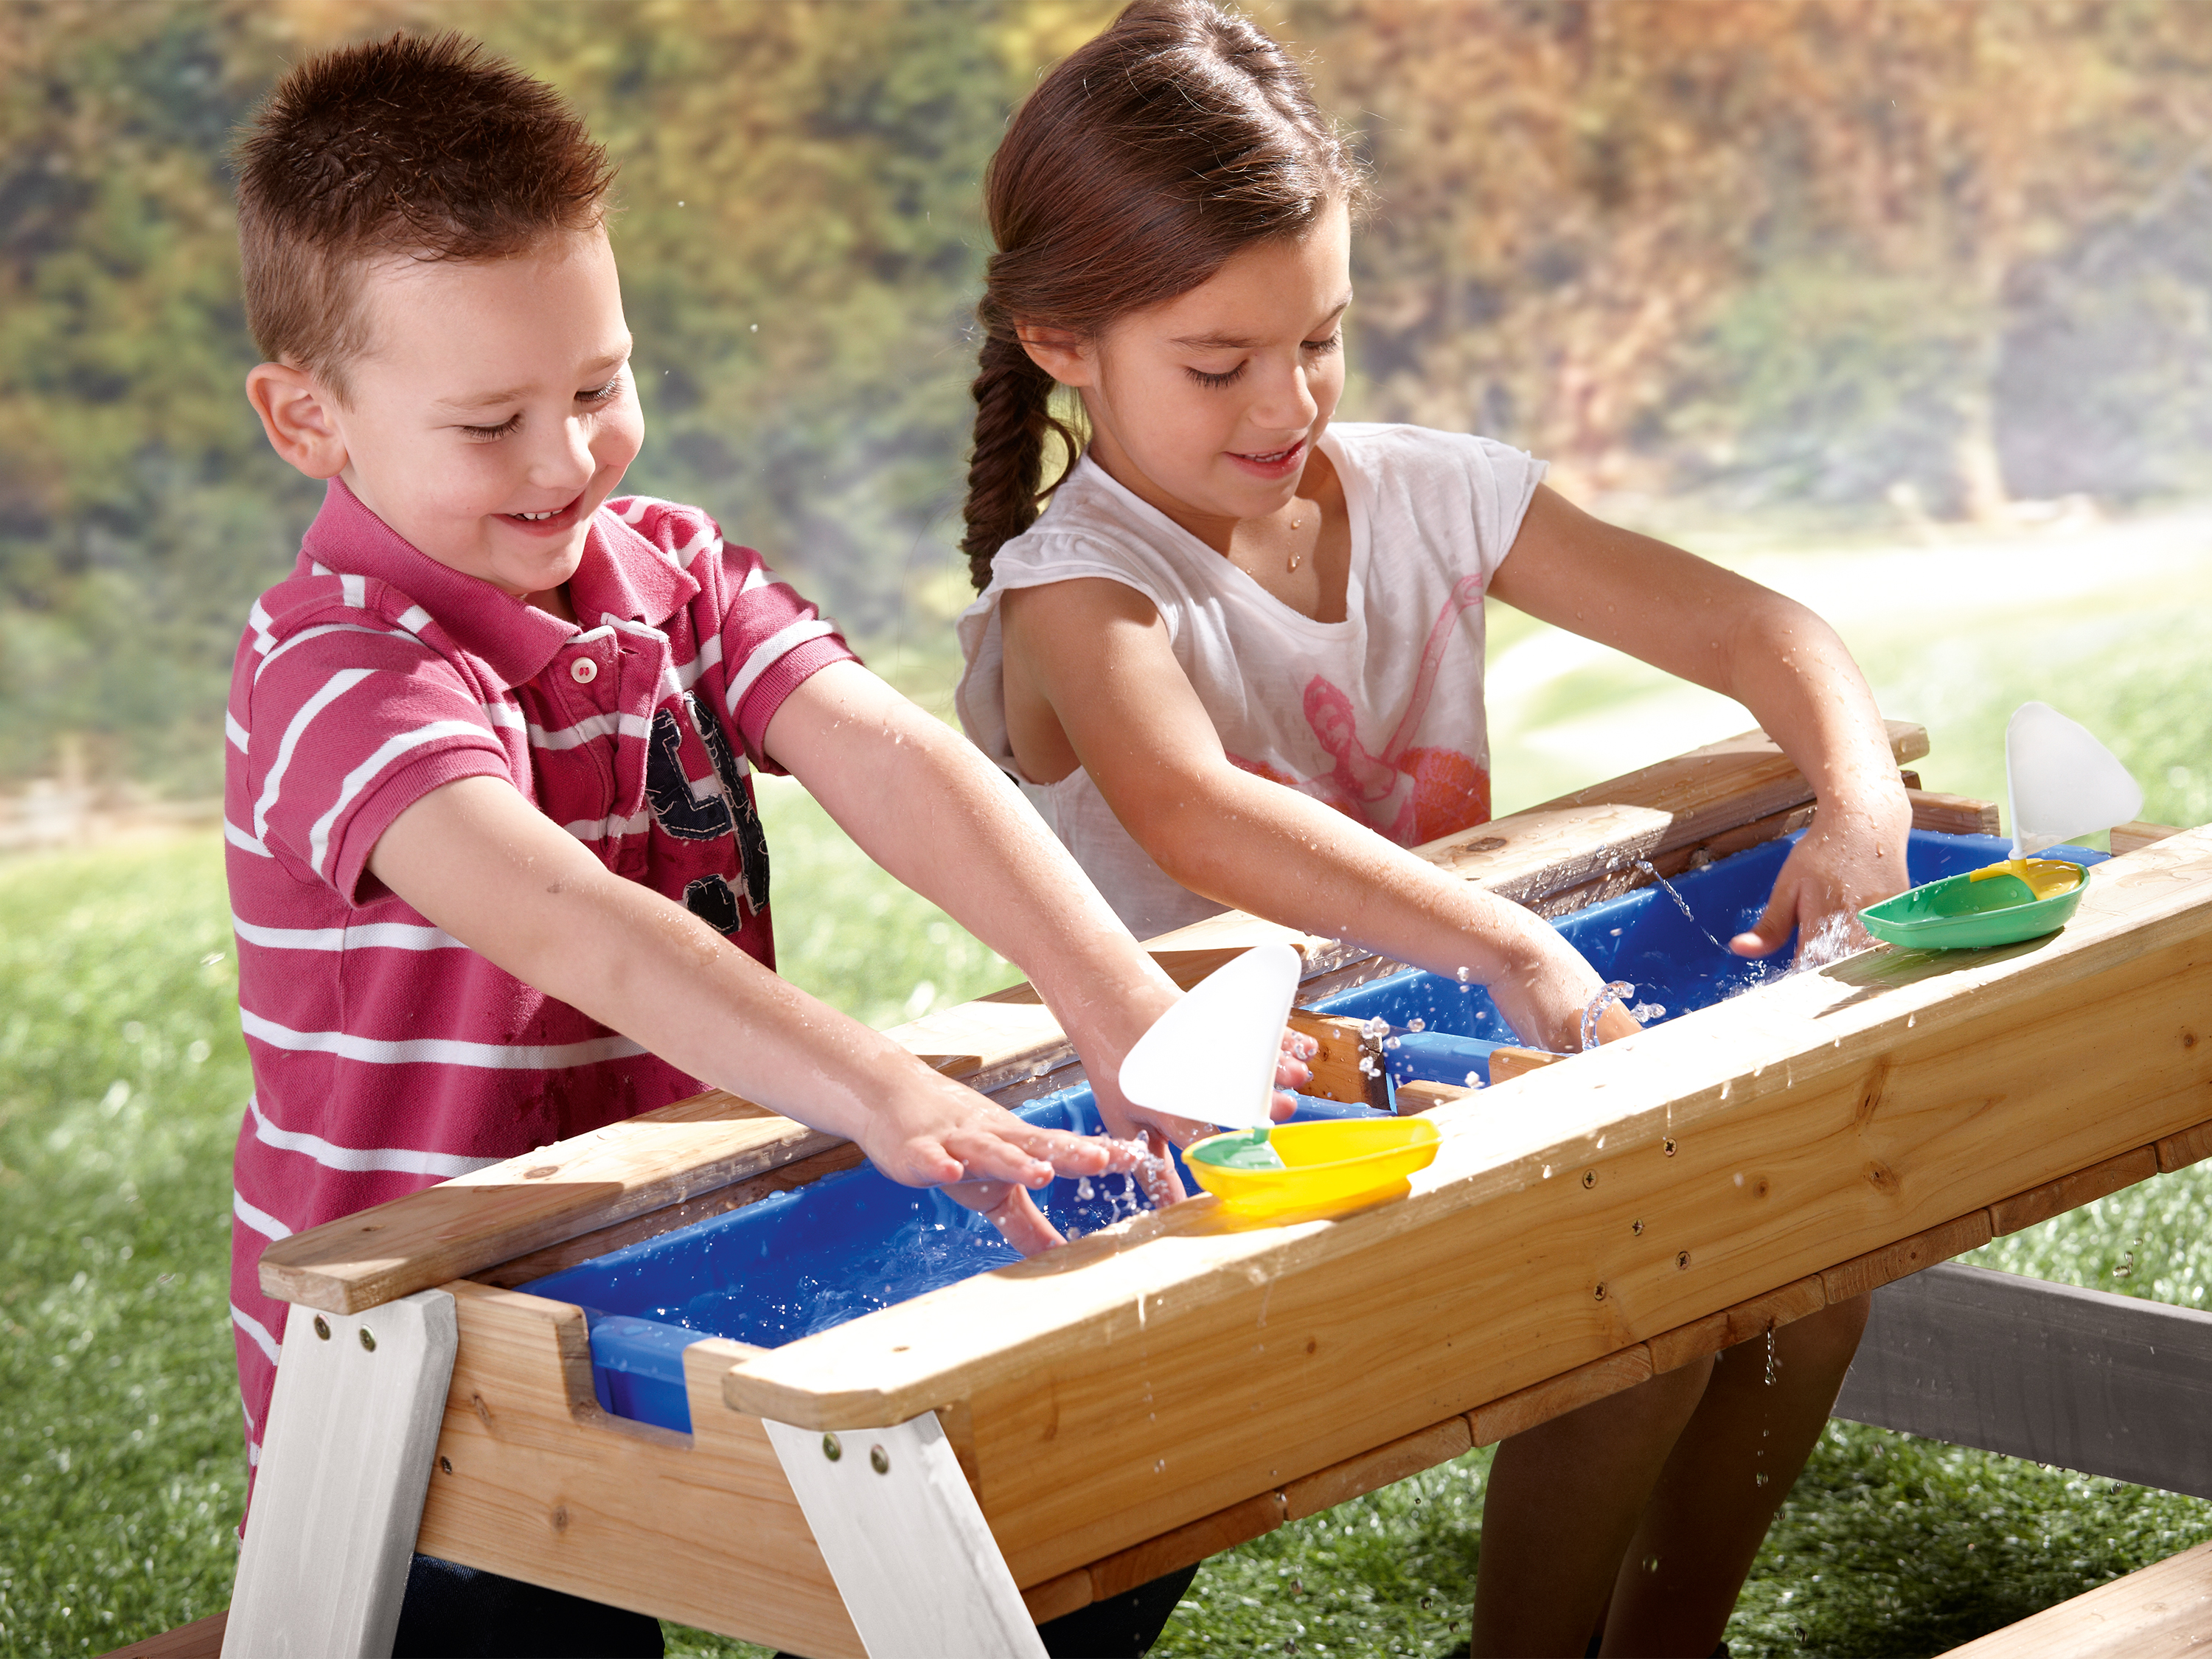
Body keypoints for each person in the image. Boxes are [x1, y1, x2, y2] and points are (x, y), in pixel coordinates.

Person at [224, 34, 1301, 1657]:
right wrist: (880, 1086)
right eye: (490, 421)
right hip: (424, 1361)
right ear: (308, 418)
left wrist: (1114, 999)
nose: (565, 458)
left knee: (1072, 1509)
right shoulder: (336, 667)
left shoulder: (672, 569)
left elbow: (886, 753)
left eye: (597, 388)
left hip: (671, 1252)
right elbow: (566, 919)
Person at [952, 4, 1909, 1654]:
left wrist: (1864, 801)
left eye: (1318, 340)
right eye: (1219, 364)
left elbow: (1765, 633)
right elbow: (1195, 812)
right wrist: (1513, 941)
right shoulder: (1076, 596)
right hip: (1209, 1135)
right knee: (1656, 1298)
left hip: (1436, 1070)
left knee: (1807, 1290)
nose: (1288, 404)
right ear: (1061, 342)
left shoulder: (1430, 495)